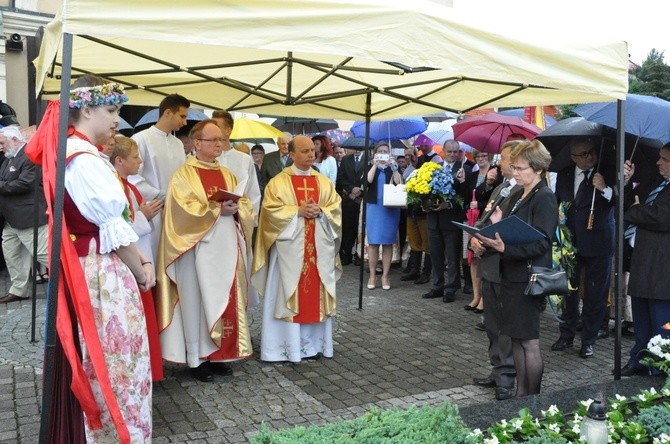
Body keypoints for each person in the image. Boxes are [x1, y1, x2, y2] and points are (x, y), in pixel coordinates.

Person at [30, 74, 154, 442]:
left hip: (84, 267)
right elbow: (110, 230)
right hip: (100, 271)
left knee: (98, 355)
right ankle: (115, 432)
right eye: (111, 109)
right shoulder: (84, 159)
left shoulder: (71, 152)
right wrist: (143, 266)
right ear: (85, 109)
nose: (117, 118)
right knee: (116, 361)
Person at [156, 119, 255, 382]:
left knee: (225, 300)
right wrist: (216, 210)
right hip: (197, 252)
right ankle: (197, 359)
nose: (220, 145)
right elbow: (181, 212)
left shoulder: (228, 173)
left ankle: (220, 354)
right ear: (197, 143)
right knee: (197, 303)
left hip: (227, 250)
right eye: (213, 140)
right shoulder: (183, 175)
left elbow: (244, 204)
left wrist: (237, 210)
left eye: (222, 140)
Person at [476, 139, 556, 398]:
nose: (516, 172)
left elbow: (542, 243)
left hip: (527, 279)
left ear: (538, 169)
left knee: (529, 343)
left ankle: (531, 399)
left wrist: (504, 249)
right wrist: (496, 229)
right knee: (518, 341)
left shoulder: (544, 196)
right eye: (515, 167)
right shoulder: (520, 194)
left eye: (521, 168)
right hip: (511, 276)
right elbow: (513, 233)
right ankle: (522, 395)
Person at [252, 135, 342, 362]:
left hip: (317, 250)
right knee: (288, 293)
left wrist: (321, 212)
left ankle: (313, 347)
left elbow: (335, 208)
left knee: (314, 294)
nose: (311, 154)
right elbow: (269, 213)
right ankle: (285, 349)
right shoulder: (278, 182)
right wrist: (297, 212)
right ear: (291, 155)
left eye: (313, 150)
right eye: (305, 151)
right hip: (289, 254)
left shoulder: (323, 181)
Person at [550, 137, 615, 359]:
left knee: (595, 294)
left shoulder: (607, 170)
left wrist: (605, 189)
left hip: (598, 242)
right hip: (570, 242)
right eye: (583, 154)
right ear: (573, 157)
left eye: (591, 152)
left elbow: (620, 201)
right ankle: (566, 335)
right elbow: (560, 202)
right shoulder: (565, 174)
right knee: (568, 291)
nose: (589, 157)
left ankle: (588, 340)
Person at [469, 140, 522, 401]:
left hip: (505, 269)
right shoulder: (501, 187)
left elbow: (511, 230)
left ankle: (507, 377)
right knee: (491, 325)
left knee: (504, 327)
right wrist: (475, 238)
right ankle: (497, 368)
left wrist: (487, 239)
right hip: (489, 266)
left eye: (502, 158)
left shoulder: (524, 192)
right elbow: (483, 218)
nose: (499, 163)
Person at [110, 136, 164, 381]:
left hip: (141, 255)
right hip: (131, 261)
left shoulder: (128, 185)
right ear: (119, 160)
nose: (140, 161)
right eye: (135, 157)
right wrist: (143, 215)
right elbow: (119, 229)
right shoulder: (115, 187)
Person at [619, 144, 670, 376]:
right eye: (660, 158)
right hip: (641, 260)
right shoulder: (655, 181)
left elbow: (661, 218)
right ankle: (639, 358)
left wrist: (637, 211)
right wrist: (627, 182)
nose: (659, 163)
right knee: (641, 316)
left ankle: (659, 366)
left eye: (665, 159)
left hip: (662, 267)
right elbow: (628, 204)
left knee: (661, 321)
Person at [130, 93, 190, 257]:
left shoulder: (178, 144)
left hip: (176, 209)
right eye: (182, 116)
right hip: (153, 209)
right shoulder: (141, 139)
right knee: (154, 255)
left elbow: (184, 176)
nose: (184, 122)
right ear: (168, 112)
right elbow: (133, 178)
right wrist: (160, 195)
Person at [0, 126, 49, 303]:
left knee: (44, 254)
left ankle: (71, 280)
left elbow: (25, 184)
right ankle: (19, 290)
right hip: (11, 219)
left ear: (14, 139)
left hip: (28, 216)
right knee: (11, 253)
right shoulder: (10, 158)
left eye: (2, 142)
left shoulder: (30, 155)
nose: (0, 146)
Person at [423, 140, 471, 303]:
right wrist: (425, 204)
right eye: (449, 151)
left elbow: (465, 199)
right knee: (435, 255)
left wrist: (449, 203)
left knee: (452, 257)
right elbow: (422, 190)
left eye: (455, 152)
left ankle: (451, 288)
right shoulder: (432, 168)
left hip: (451, 221)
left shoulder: (465, 170)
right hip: (433, 219)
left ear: (459, 153)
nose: (452, 155)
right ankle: (437, 286)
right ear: (443, 151)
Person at [463, 150, 502, 311]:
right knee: (473, 257)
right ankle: (476, 296)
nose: (480, 159)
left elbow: (494, 199)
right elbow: (470, 195)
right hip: (473, 219)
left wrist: (479, 205)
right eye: (477, 156)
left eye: (483, 156)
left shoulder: (497, 175)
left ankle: (484, 300)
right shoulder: (473, 175)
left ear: (490, 157)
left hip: (488, 218)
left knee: (484, 257)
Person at [365, 143, 403, 290]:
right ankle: (372, 275)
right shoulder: (369, 165)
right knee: (373, 243)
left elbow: (399, 182)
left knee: (388, 242)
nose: (382, 154)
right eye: (380, 152)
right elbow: (367, 181)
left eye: (385, 152)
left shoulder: (392, 167)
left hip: (390, 208)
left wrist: (393, 167)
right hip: (374, 208)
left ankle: (385, 276)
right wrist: (375, 165)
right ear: (375, 153)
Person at [212, 110, 261, 223]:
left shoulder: (244, 159)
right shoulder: (206, 158)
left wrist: (247, 220)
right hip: (211, 219)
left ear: (228, 131)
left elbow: (253, 193)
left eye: (216, 126)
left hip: (238, 219)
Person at [401, 144, 436, 285]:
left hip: (423, 210)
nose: (410, 158)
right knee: (414, 241)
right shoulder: (413, 164)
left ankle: (426, 272)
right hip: (411, 209)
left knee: (426, 243)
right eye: (408, 156)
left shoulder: (432, 161)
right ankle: (414, 270)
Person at [336, 149, 365, 265]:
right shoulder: (345, 160)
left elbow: (368, 179)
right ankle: (346, 254)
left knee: (360, 228)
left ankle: (359, 255)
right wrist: (350, 189)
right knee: (347, 228)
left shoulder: (369, 160)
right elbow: (340, 179)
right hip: (348, 200)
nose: (357, 150)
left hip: (362, 199)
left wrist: (359, 191)